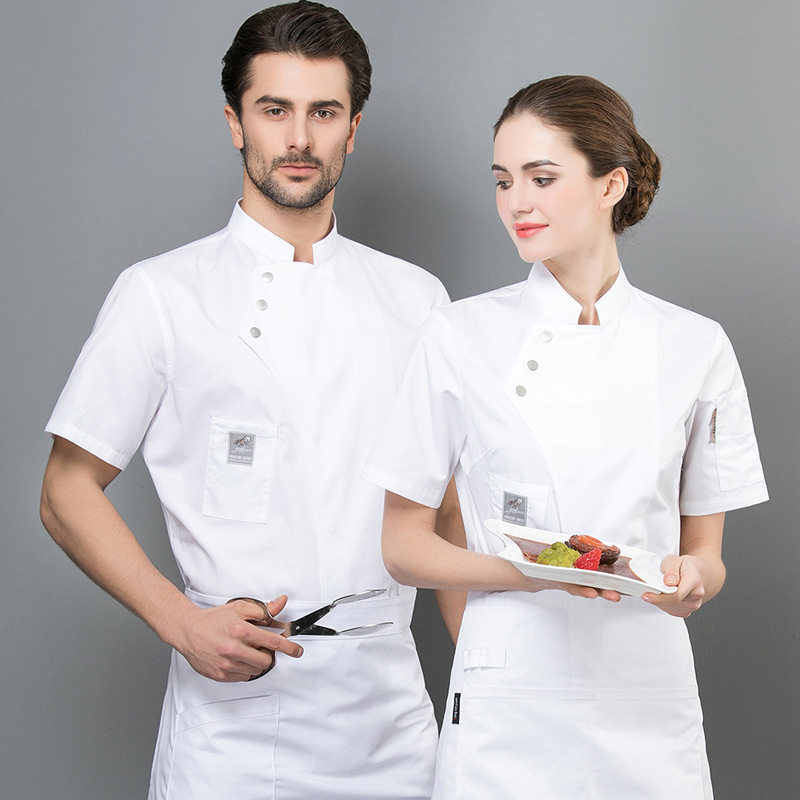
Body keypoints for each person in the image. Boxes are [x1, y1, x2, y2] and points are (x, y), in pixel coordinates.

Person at [40, 3, 456, 798]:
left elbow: (450, 513)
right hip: (231, 730)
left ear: (352, 130)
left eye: (323, 112)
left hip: (391, 724)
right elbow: (65, 488)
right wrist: (181, 622)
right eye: (274, 110)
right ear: (236, 123)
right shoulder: (162, 295)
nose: (299, 138)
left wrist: (486, 693)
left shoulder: (418, 300)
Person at [364, 75, 768, 798]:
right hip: (508, 698)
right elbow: (402, 548)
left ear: (611, 184)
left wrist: (692, 583)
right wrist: (540, 572)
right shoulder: (457, 335)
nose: (516, 203)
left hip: (647, 693)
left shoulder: (695, 346)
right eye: (503, 181)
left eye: (542, 178)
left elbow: (707, 556)